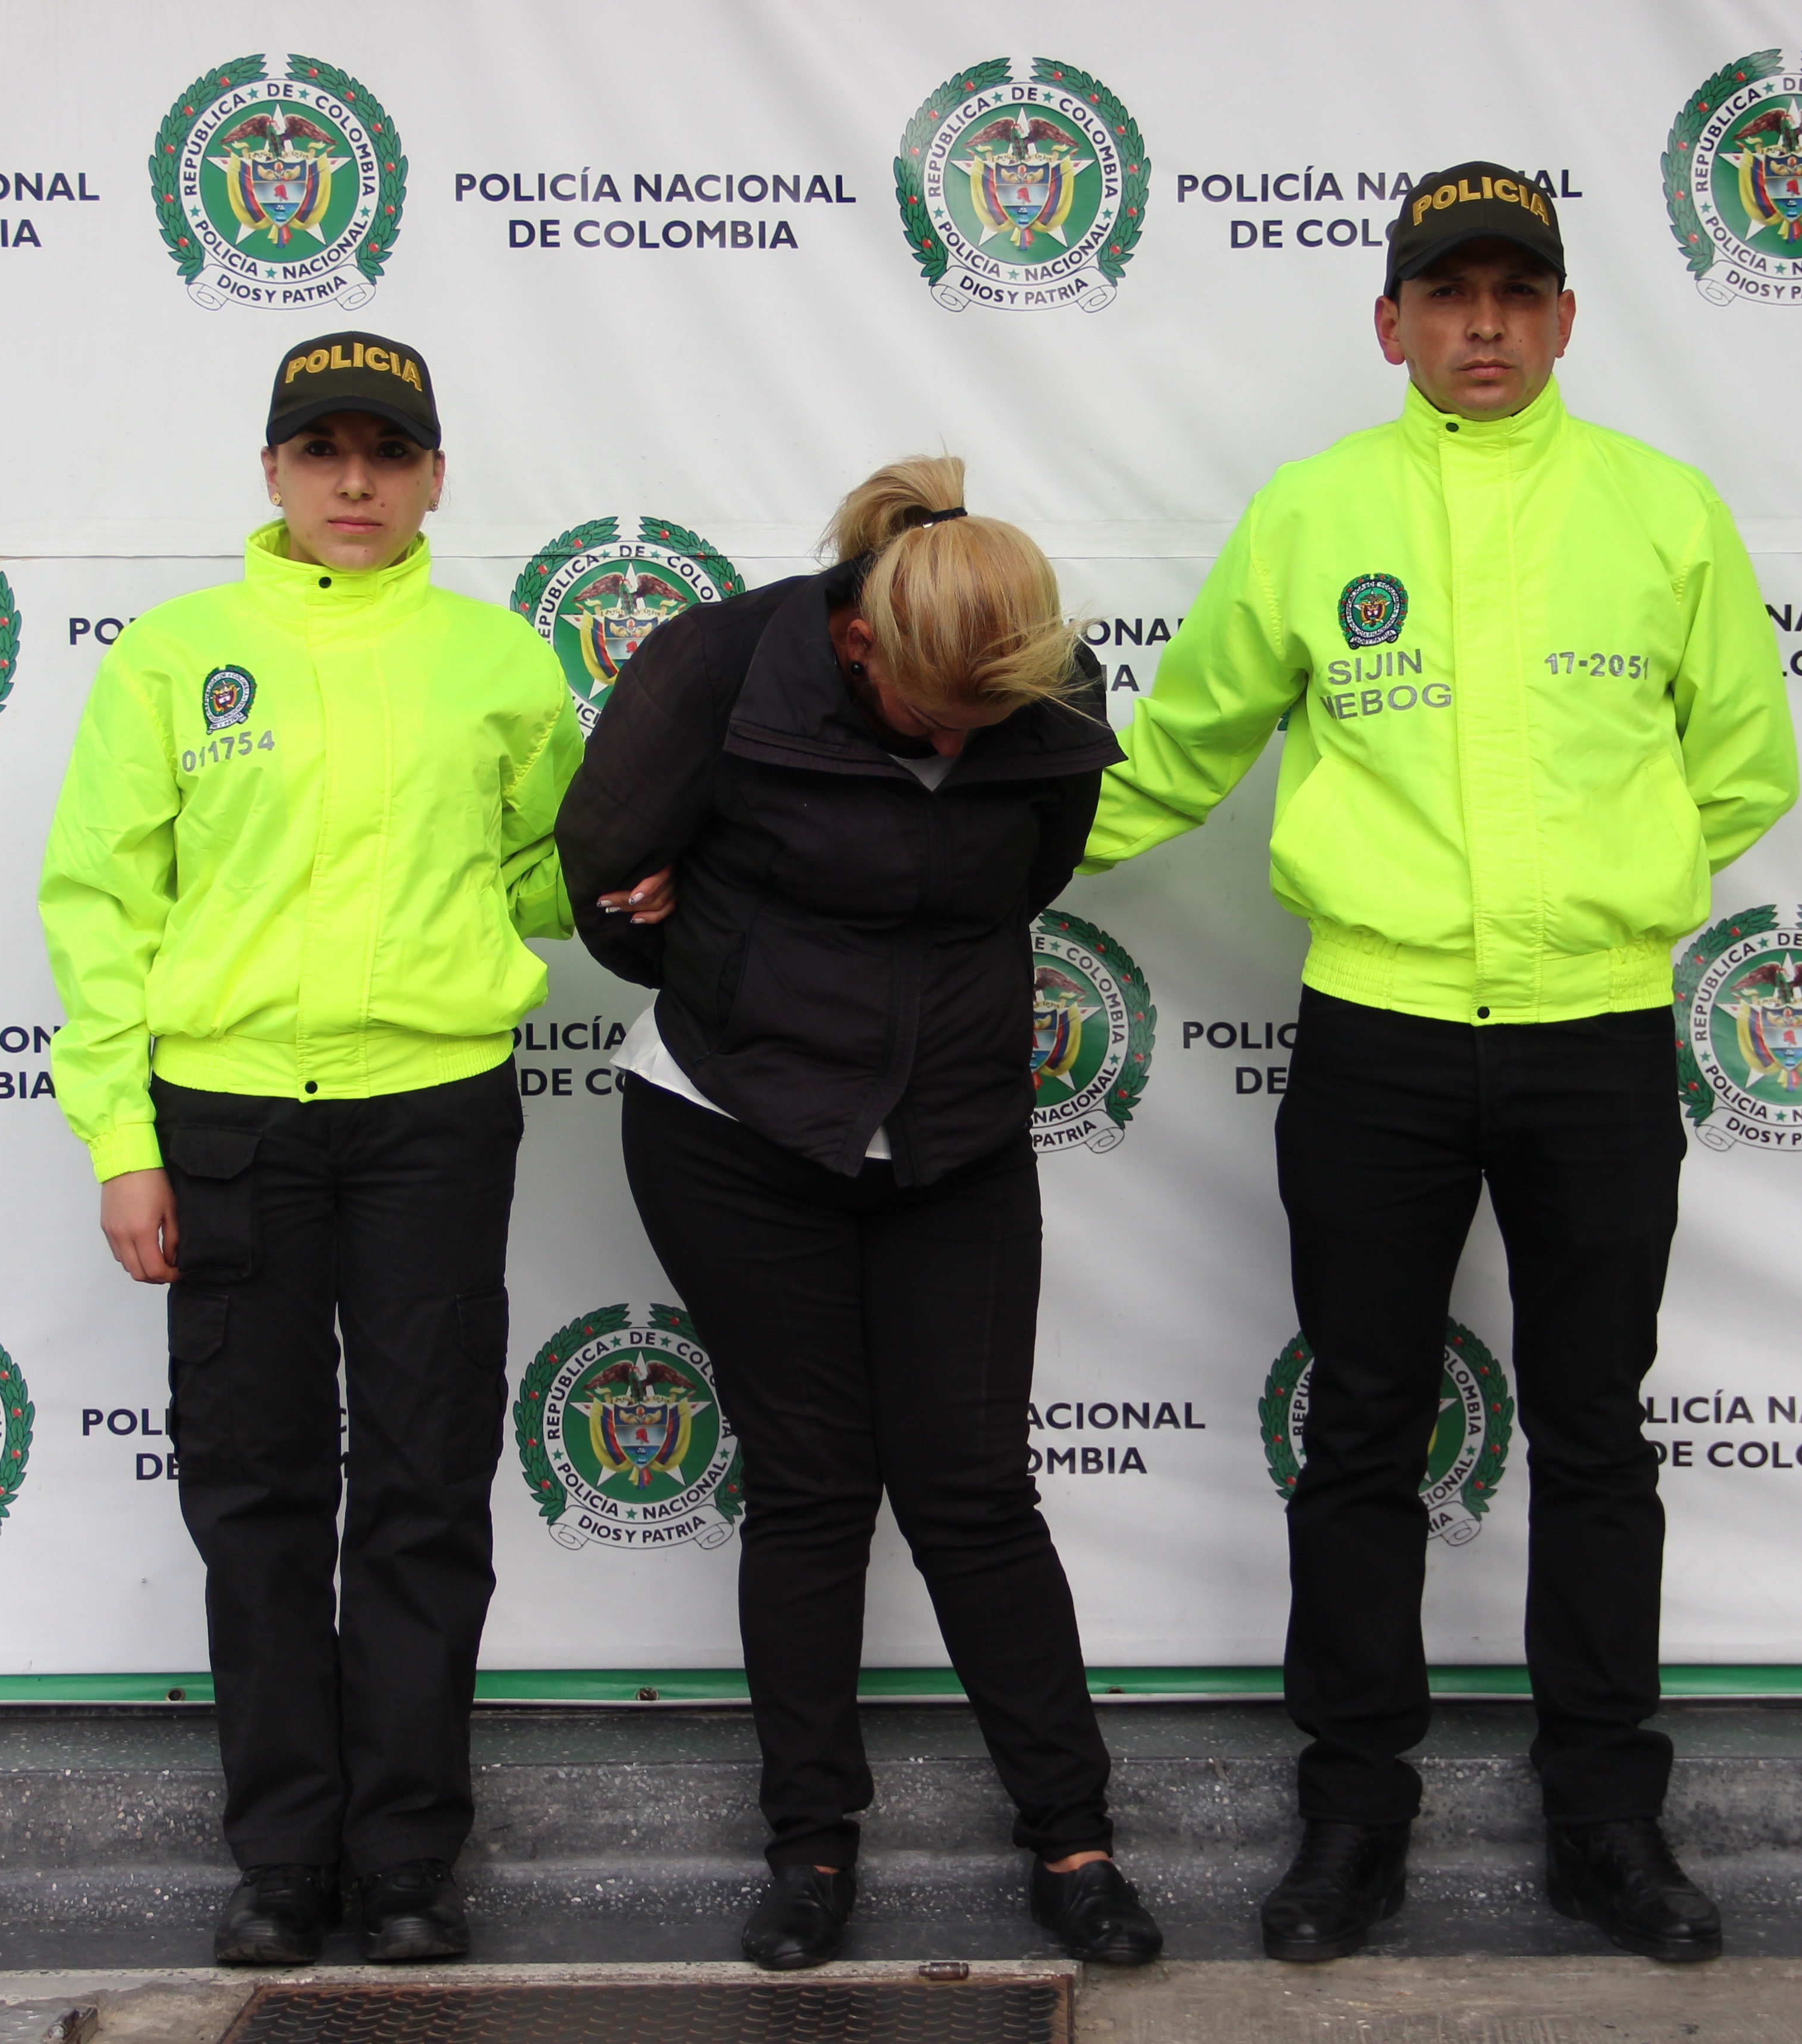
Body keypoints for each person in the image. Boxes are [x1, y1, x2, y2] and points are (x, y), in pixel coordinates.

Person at [1079, 166, 1798, 1964]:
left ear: (1564, 319)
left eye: (1515, 292)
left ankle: (1607, 1831)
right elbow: (1179, 753)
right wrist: (956, 849)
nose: (1482, 324)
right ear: (1389, 324)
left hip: (1599, 1041)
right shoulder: (1318, 513)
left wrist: (1616, 906)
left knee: (1594, 1440)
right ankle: (1351, 1824)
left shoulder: (1664, 511)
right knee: (1361, 1433)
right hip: (1379, 1039)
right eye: (1446, 294)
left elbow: (1745, 766)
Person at [554, 457, 1164, 1973]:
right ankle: (811, 1850)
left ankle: (1074, 1842)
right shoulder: (723, 659)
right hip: (731, 1133)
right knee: (816, 1489)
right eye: (930, 720)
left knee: (975, 1492)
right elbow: (599, 862)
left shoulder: (1048, 694)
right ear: (858, 644)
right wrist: (693, 958)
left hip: (953, 1142)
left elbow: (1030, 872)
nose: (961, 744)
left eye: (987, 726)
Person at [38, 331, 581, 1967]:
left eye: (390, 454)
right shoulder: (172, 657)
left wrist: (579, 899)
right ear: (272, 470)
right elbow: (101, 908)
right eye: (324, 451)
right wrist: (123, 1142)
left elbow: (548, 868)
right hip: (226, 1126)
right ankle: (283, 1861)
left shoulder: (501, 663)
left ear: (435, 475)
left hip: (430, 1117)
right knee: (258, 1493)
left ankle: (408, 1863)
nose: (359, 484)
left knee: (425, 1487)